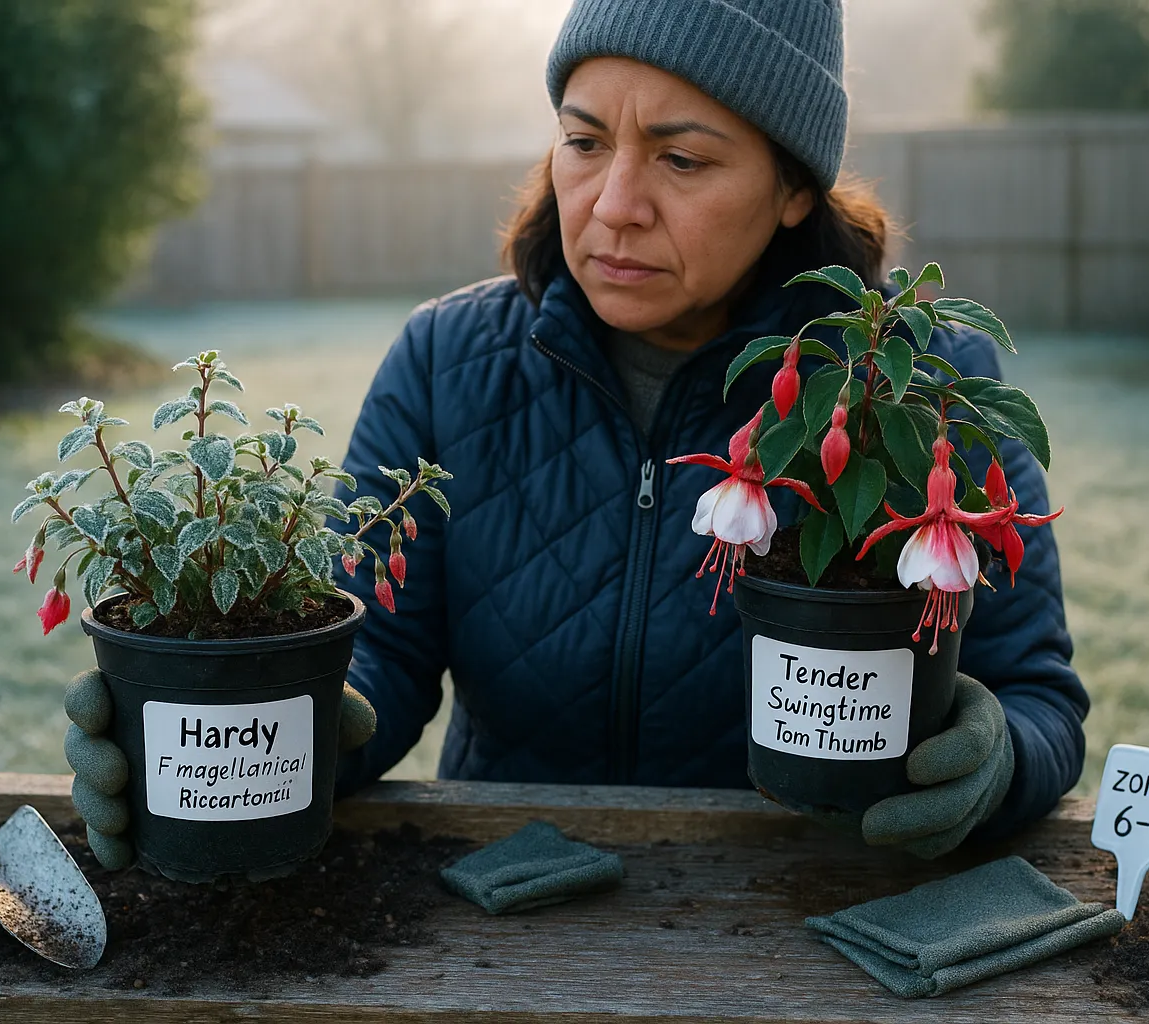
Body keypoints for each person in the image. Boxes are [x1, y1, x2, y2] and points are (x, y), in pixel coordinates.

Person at [66, 0, 1088, 867]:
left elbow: (1036, 693)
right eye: (585, 140)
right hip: (505, 924)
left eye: (682, 158)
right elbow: (373, 655)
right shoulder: (444, 363)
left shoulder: (916, 392)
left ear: (792, 190)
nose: (614, 204)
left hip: (799, 920)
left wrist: (996, 763)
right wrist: (265, 733)